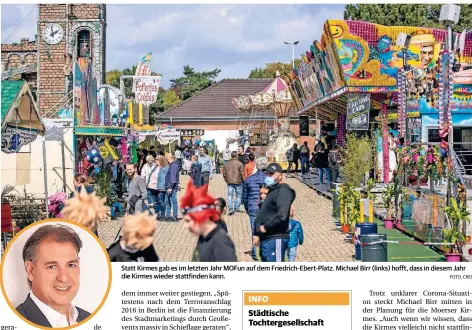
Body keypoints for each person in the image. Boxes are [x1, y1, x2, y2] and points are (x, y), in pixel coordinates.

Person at [16, 225, 90, 327]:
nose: (63, 278)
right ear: (31, 271)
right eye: (51, 267)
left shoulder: (89, 318)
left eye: (71, 265)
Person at [181, 181, 237, 262]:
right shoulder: (204, 236)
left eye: (188, 221)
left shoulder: (221, 243)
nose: (185, 226)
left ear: (202, 217)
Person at [253, 163, 296, 262]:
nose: (268, 176)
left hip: (275, 238)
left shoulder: (283, 191)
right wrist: (257, 233)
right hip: (267, 239)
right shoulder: (272, 190)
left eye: (271, 174)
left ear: (280, 176)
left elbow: (282, 215)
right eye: (267, 174)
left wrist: (265, 227)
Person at [242, 157, 267, 261]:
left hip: (253, 207)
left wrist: (248, 208)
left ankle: (256, 252)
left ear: (256, 166)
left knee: (255, 230)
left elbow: (244, 197)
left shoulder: (249, 179)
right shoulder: (269, 179)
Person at [222, 151, 245, 215]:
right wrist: (244, 181)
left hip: (230, 182)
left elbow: (224, 174)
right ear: (237, 156)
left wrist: (227, 180)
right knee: (238, 196)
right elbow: (242, 174)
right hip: (238, 182)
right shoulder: (240, 164)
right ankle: (236, 208)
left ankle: (230, 208)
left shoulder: (227, 164)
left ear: (231, 156)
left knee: (230, 196)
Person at [165, 153, 180, 221]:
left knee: (173, 202)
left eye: (166, 158)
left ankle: (174, 216)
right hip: (169, 186)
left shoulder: (173, 166)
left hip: (171, 187)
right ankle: (168, 216)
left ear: (168, 158)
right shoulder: (172, 165)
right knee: (168, 202)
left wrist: (170, 187)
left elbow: (173, 178)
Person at [155, 156, 169, 220]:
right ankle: (158, 214)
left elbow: (164, 179)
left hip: (162, 187)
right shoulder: (159, 168)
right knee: (158, 201)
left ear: (160, 161)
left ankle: (162, 215)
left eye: (157, 160)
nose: (155, 161)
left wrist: (162, 187)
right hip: (158, 187)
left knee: (161, 201)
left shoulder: (165, 168)